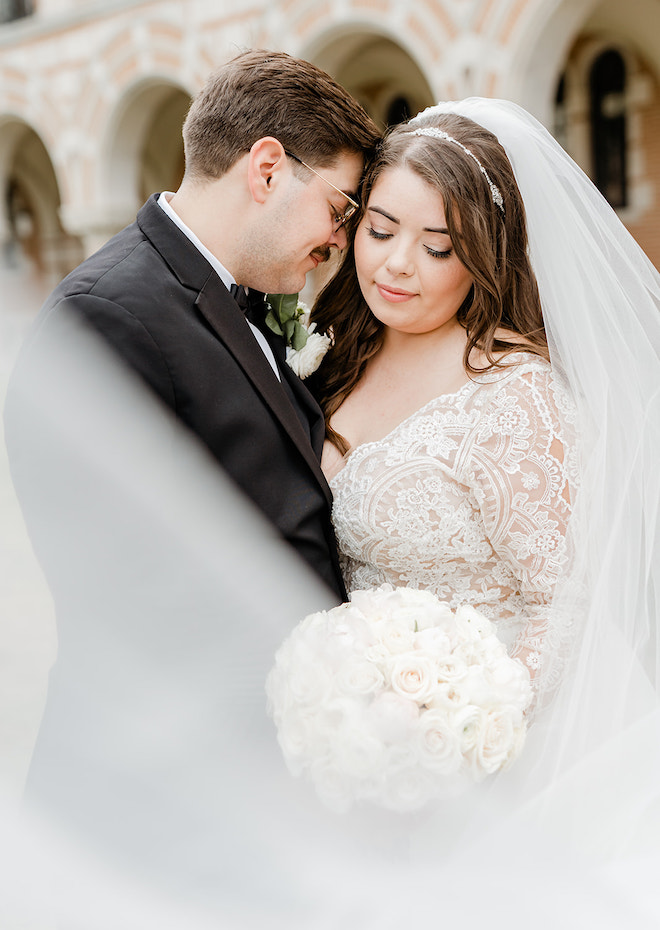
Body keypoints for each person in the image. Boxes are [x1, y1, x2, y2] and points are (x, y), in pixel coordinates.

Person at [4, 48, 380, 602]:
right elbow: (123, 588)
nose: (341, 239)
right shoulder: (103, 317)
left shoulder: (251, 292)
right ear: (267, 171)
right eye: (340, 208)